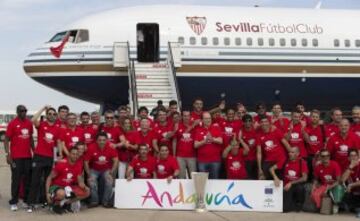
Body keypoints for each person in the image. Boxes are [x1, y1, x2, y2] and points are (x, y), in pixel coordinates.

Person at [28, 106, 61, 212]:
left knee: (47, 181)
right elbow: (33, 120)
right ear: (46, 115)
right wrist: (43, 109)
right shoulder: (42, 125)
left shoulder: (57, 128)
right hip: (39, 156)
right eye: (50, 114)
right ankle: (31, 203)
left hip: (50, 157)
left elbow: (59, 142)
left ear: (56, 116)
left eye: (54, 114)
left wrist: (60, 154)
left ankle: (44, 201)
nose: (52, 115)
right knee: (35, 180)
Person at [5, 105, 34, 211]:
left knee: (27, 180)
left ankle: (25, 200)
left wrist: (34, 152)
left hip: (27, 157)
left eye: (25, 111)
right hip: (16, 157)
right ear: (17, 112)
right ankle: (14, 201)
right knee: (16, 180)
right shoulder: (12, 123)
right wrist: (7, 155)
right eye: (21, 111)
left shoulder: (29, 123)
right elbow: (6, 140)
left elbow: (30, 138)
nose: (24, 112)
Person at [45, 147, 90, 214]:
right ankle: (55, 204)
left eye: (76, 154)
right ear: (69, 154)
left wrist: (84, 186)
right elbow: (49, 178)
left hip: (68, 187)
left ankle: (65, 203)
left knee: (87, 192)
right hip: (56, 186)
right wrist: (47, 193)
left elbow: (80, 181)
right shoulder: (61, 164)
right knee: (61, 193)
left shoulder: (78, 165)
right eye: (73, 154)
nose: (75, 156)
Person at [84, 132, 119, 208]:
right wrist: (88, 174)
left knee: (109, 181)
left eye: (104, 140)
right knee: (91, 181)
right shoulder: (91, 147)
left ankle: (105, 201)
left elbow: (116, 160)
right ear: (96, 140)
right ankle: (94, 201)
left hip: (107, 169)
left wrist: (111, 172)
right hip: (94, 169)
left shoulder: (110, 147)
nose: (102, 142)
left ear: (107, 140)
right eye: (100, 140)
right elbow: (86, 162)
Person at [271, 147, 308, 212]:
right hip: (286, 187)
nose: (290, 154)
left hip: (296, 185)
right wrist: (275, 177)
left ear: (297, 153)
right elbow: (271, 169)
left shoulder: (302, 162)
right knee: (285, 209)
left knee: (300, 188)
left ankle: (299, 203)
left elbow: (304, 178)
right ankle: (290, 204)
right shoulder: (285, 161)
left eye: (292, 152)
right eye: (289, 152)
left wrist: (291, 183)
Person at [256, 115, 291, 180]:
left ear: (269, 123)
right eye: (262, 122)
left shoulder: (276, 131)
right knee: (263, 180)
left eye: (266, 121)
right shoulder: (258, 135)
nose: (264, 123)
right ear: (260, 124)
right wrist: (259, 168)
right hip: (268, 161)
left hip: (281, 160)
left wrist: (293, 156)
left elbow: (286, 144)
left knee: (282, 182)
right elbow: (259, 153)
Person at [194, 112, 223, 179]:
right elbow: (195, 145)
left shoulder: (216, 128)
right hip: (202, 161)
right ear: (202, 120)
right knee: (203, 181)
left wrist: (212, 139)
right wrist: (205, 141)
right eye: (206, 118)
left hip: (215, 160)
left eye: (209, 118)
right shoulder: (198, 130)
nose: (208, 120)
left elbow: (221, 141)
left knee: (215, 180)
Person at [173, 110, 197, 179]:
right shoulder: (177, 126)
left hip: (192, 156)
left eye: (188, 116)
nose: (186, 117)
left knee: (193, 177)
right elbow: (174, 141)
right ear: (182, 117)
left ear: (190, 116)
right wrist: (174, 155)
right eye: (185, 116)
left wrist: (193, 125)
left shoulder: (195, 125)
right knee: (181, 177)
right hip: (180, 156)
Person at [304, 109, 326, 180]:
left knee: (320, 176)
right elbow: (307, 140)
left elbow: (326, 142)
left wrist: (321, 153)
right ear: (310, 118)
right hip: (309, 156)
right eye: (313, 116)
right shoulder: (306, 128)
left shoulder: (323, 128)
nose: (315, 118)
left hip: (320, 156)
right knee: (310, 175)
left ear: (319, 118)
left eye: (316, 117)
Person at [341, 149, 360, 217]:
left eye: (355, 155)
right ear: (348, 158)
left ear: (358, 157)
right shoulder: (346, 166)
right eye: (351, 156)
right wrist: (350, 167)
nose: (353, 157)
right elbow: (342, 180)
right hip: (351, 193)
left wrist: (351, 185)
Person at [240, 114, 258, 179]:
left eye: (249, 121)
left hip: (255, 160)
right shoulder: (241, 132)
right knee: (247, 179)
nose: (248, 123)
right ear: (243, 122)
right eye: (246, 121)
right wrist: (240, 139)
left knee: (255, 179)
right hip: (245, 160)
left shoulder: (256, 130)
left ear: (252, 122)